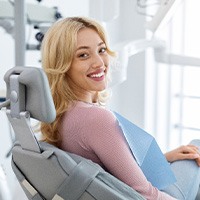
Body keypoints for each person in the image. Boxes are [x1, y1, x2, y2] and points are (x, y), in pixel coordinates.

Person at [40, 17, 200, 200]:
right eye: (83, 55)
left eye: (101, 50)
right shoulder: (95, 119)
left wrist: (164, 159)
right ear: (63, 65)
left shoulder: (61, 114)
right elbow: (145, 194)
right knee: (197, 145)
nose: (99, 62)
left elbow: (110, 173)